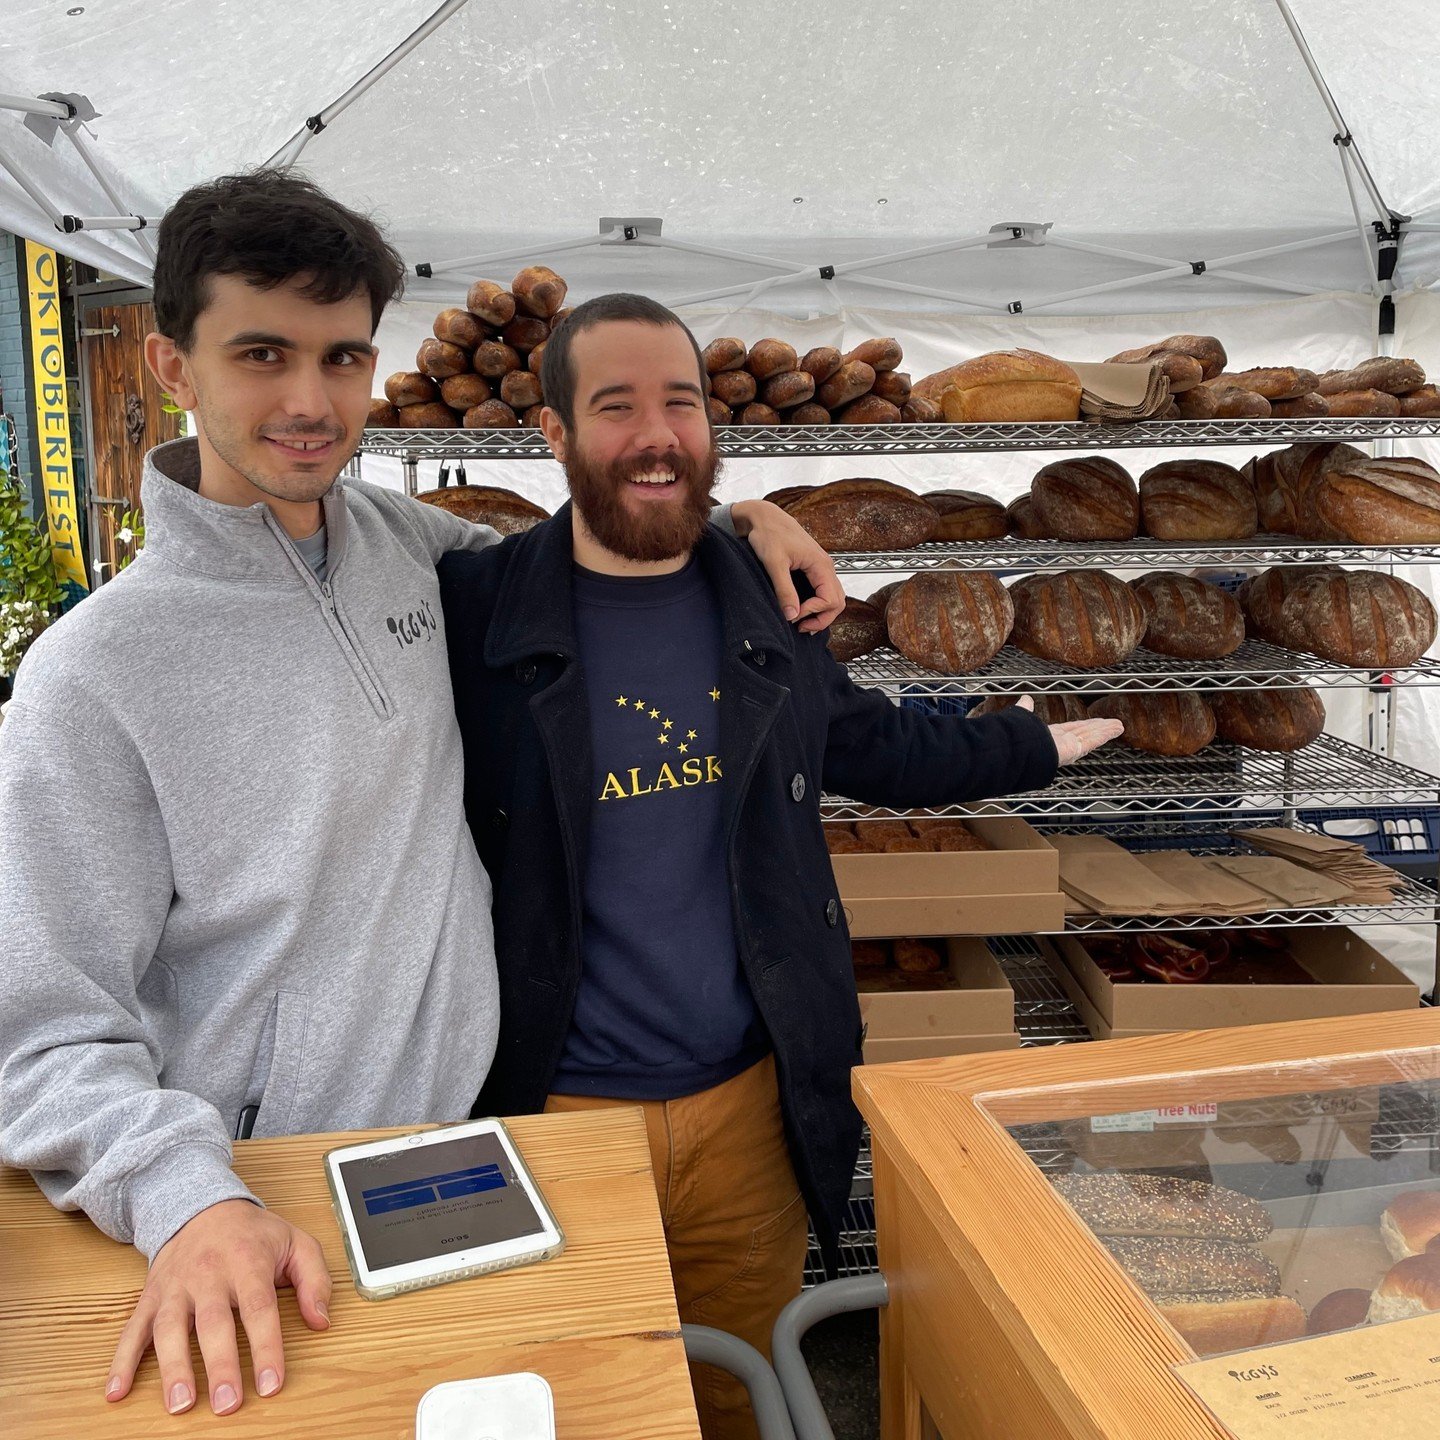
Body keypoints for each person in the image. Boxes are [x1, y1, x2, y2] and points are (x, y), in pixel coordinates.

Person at [0, 173, 843, 1421]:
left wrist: (748, 522)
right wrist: (188, 1198)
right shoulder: (96, 673)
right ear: (174, 367)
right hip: (266, 1193)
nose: (309, 401)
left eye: (342, 359)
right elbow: (43, 1030)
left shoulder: (416, 551)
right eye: (261, 354)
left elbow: (607, 551)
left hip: (479, 1149)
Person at [436, 293, 1123, 1440]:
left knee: (739, 1390)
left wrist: (1032, 742)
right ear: (552, 435)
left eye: (682, 404)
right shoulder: (473, 611)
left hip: (746, 1104)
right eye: (616, 407)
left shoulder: (753, 591)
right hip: (554, 1112)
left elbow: (862, 740)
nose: (657, 434)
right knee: (576, 1396)